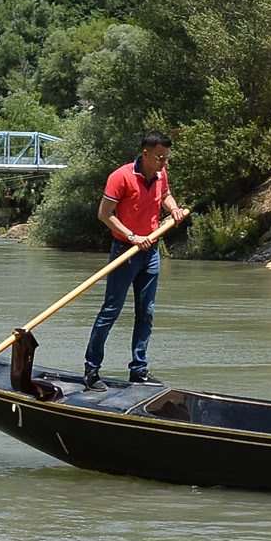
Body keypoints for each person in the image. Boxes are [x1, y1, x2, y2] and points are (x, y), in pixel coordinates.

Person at [82, 129, 188, 390]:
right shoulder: (121, 176)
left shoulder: (161, 174)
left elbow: (164, 196)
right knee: (111, 311)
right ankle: (92, 370)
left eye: (166, 158)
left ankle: (138, 370)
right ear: (145, 153)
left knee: (146, 313)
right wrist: (131, 236)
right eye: (160, 158)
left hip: (151, 252)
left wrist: (173, 208)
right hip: (124, 252)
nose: (164, 163)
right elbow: (104, 214)